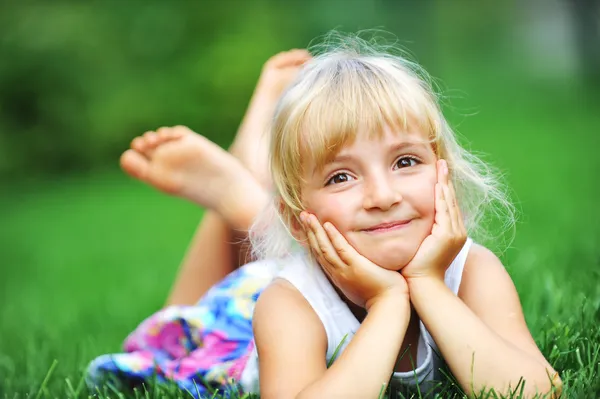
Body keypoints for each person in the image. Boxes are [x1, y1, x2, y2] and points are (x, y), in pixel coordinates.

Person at [87, 34, 562, 398]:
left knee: (300, 226)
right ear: (299, 220)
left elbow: (538, 390)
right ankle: (239, 190)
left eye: (405, 162)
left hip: (295, 241)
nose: (382, 195)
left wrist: (430, 286)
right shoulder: (288, 305)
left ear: (445, 172)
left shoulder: (472, 270)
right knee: (176, 325)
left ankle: (248, 186)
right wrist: (389, 303)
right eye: (341, 177)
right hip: (244, 312)